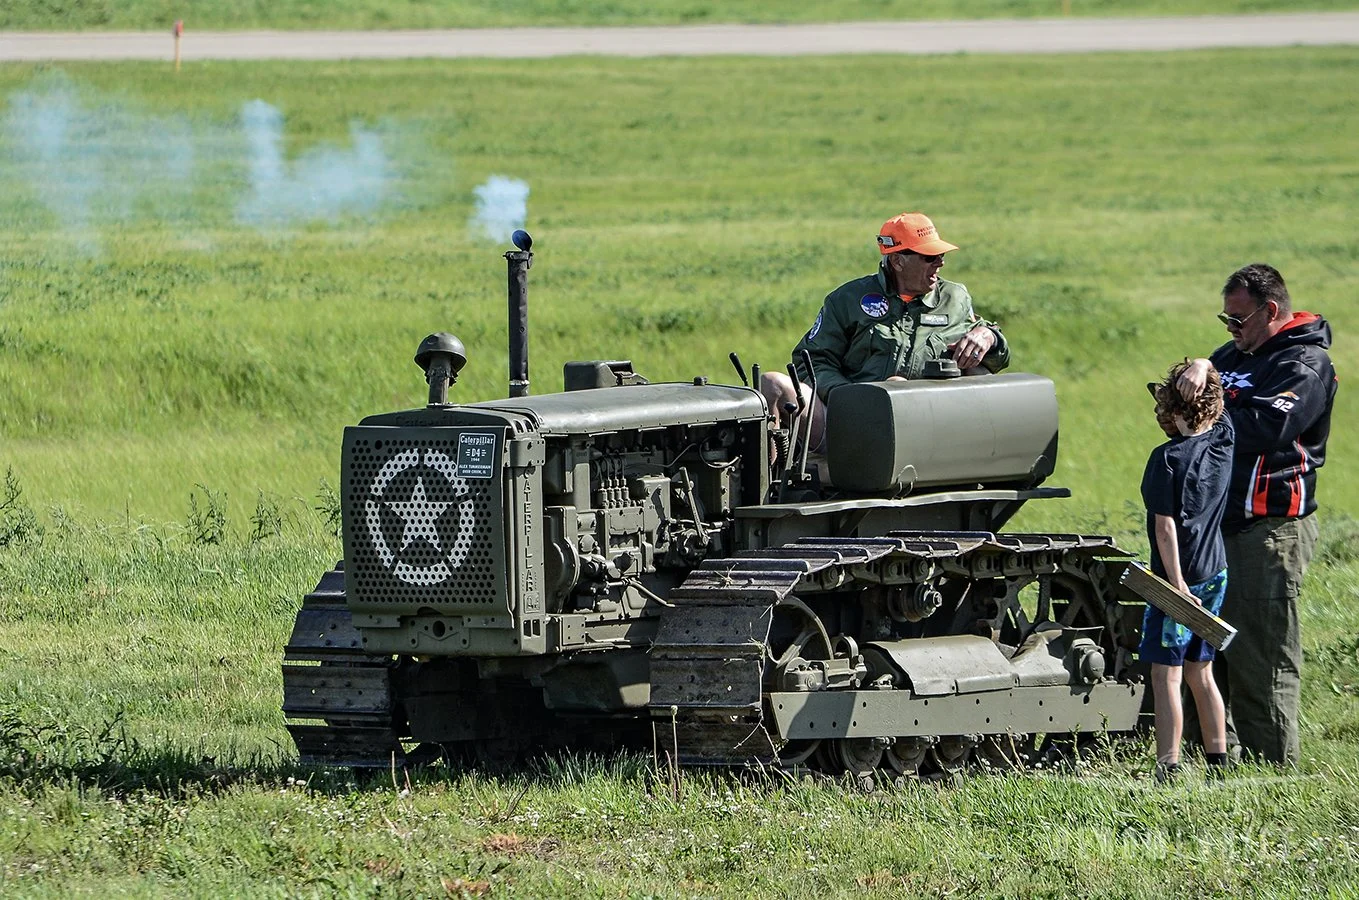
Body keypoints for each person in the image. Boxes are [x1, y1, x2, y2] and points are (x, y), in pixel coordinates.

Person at [1175, 263, 1337, 765]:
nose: (1231, 330)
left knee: (1260, 657)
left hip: (1269, 529)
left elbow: (1267, 428)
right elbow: (1201, 392)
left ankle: (1271, 770)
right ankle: (1218, 757)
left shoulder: (1304, 365)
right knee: (1208, 648)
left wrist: (1200, 420)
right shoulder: (1237, 352)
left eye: (1239, 319)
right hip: (1217, 527)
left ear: (1271, 311)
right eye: (1225, 321)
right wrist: (1201, 364)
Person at [760, 213, 1010, 453]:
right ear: (898, 260)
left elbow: (996, 360)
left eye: (941, 254)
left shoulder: (954, 299)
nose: (940, 262)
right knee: (772, 384)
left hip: (925, 426)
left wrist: (989, 337)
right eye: (929, 256)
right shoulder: (848, 299)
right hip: (848, 420)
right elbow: (811, 361)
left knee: (896, 389)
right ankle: (765, 488)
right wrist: (851, 397)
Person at [1141, 361, 1234, 783]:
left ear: (1175, 412)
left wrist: (1175, 584)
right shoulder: (1224, 441)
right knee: (1202, 669)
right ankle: (1219, 761)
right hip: (1216, 572)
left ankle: (1168, 766)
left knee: (1167, 674)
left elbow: (1165, 527)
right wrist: (1204, 366)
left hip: (1177, 581)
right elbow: (1219, 402)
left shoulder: (1166, 459)